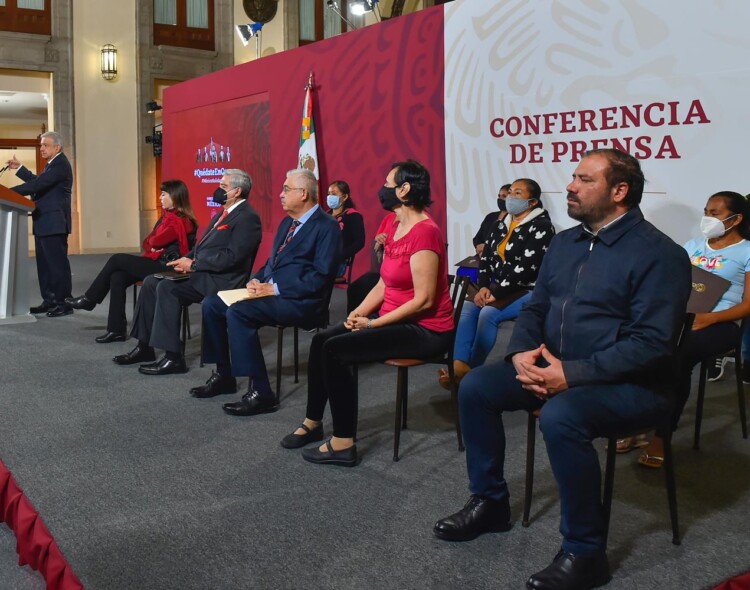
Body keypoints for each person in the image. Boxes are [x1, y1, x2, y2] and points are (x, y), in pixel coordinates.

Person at [433, 149, 691, 590]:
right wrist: (520, 353)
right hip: (553, 367)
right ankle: (490, 504)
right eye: (573, 176)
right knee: (476, 387)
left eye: (584, 179)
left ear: (620, 191)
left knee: (562, 415)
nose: (570, 185)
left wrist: (570, 375)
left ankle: (585, 552)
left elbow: (652, 345)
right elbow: (536, 306)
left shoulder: (660, 254)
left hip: (634, 384)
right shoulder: (565, 243)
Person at [279, 160, 454, 468]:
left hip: (425, 330)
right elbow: (385, 283)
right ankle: (313, 420)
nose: (382, 190)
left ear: (404, 189)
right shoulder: (395, 225)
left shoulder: (425, 232)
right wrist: (356, 314)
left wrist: (372, 323)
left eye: (388, 184)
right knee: (323, 340)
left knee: (336, 350)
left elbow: (424, 301)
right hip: (393, 317)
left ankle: (344, 443)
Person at [189, 168, 342, 415]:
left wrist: (276, 287)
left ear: (303, 194)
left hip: (303, 301)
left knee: (239, 313)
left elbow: (322, 278)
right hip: (271, 292)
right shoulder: (287, 223)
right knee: (212, 304)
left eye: (286, 189)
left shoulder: (327, 226)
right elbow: (273, 262)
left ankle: (262, 392)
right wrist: (257, 279)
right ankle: (223, 374)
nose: (280, 194)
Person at [636, 191, 750, 467]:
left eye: (715, 213)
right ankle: (637, 422)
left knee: (679, 356)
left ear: (736, 219)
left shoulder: (746, 251)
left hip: (721, 323)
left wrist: (709, 318)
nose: (707, 218)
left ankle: (662, 435)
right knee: (637, 346)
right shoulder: (692, 246)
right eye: (706, 211)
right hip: (681, 317)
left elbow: (748, 305)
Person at [113, 169, 262, 375]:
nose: (218, 189)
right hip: (204, 273)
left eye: (223, 186)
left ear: (237, 191)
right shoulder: (223, 213)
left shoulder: (247, 217)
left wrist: (194, 265)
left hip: (222, 280)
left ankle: (173, 357)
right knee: (150, 282)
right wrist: (187, 258)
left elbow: (232, 257)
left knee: (167, 288)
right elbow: (202, 247)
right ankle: (144, 346)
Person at [439, 178, 554, 388]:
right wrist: (483, 286)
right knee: (466, 308)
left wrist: (496, 294)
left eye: (518, 193)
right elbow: (486, 259)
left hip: (529, 289)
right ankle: (459, 365)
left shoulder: (543, 228)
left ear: (533, 202)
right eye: (510, 191)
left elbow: (527, 269)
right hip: (498, 289)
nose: (510, 197)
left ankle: (471, 370)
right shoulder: (500, 224)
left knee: (487, 314)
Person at [66, 180, 198, 343]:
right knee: (117, 277)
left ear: (175, 196)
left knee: (117, 259)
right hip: (156, 261)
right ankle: (116, 330)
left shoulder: (181, 221)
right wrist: (154, 244)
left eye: (164, 194)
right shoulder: (167, 218)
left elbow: (155, 242)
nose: (160, 197)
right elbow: (147, 242)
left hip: (167, 267)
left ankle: (90, 299)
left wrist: (155, 245)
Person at [5, 131, 73, 317]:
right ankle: (50, 301)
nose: (41, 148)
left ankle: (63, 303)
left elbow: (36, 186)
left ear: (57, 147)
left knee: (57, 265)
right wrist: (20, 169)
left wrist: (5, 192)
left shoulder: (60, 164)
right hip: (45, 221)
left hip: (54, 222)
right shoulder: (52, 165)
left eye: (45, 145)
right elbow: (39, 182)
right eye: (41, 145)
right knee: (44, 265)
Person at [345, 211, 397, 315]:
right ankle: (353, 323)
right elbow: (377, 243)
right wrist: (379, 239)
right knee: (354, 288)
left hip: (396, 272)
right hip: (381, 269)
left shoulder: (418, 223)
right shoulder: (389, 218)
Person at [326, 180, 365, 276]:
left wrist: (341, 255)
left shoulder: (353, 216)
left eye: (334, 194)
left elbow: (359, 242)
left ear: (345, 197)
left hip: (336, 262)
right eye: (329, 194)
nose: (330, 197)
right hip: (319, 258)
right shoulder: (325, 215)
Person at [473, 183, 511, 255]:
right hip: (481, 255)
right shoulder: (490, 216)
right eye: (499, 196)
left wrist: (486, 248)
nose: (500, 199)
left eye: (504, 196)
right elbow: (477, 238)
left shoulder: (515, 218)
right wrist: (480, 251)